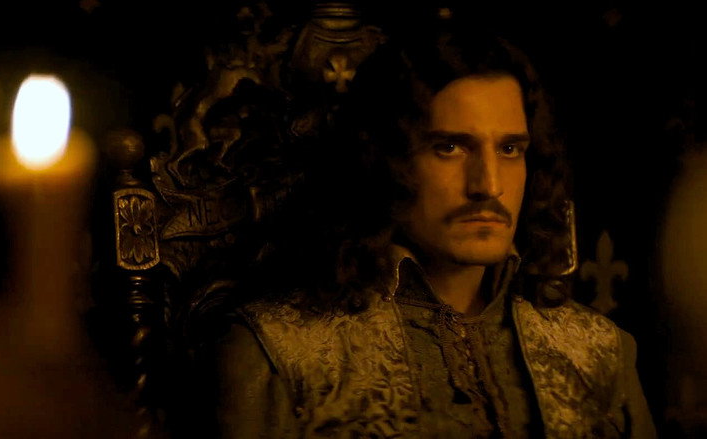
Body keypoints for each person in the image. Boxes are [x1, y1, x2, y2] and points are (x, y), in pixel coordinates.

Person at [195, 14, 657, 439]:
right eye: (450, 147)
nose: (489, 185)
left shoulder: (596, 351)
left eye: (510, 149)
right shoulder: (282, 353)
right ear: (385, 160)